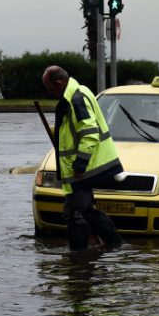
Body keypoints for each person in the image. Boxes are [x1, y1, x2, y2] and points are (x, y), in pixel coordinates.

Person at [42, 65, 124, 253]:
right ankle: (112, 245)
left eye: (49, 86)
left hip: (84, 168)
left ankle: (79, 255)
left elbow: (90, 133)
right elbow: (75, 132)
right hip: (83, 168)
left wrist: (80, 162)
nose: (49, 91)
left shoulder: (76, 99)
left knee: (74, 213)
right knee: (84, 210)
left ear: (59, 83)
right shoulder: (77, 92)